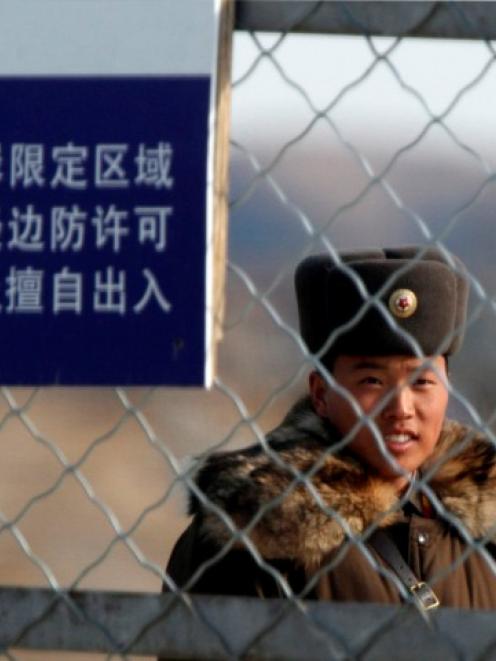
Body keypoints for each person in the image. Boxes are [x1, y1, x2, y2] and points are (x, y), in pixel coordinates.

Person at [164, 246, 496, 609]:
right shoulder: (254, 535)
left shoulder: (479, 530)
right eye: (372, 380)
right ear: (321, 394)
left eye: (422, 382)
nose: (401, 409)